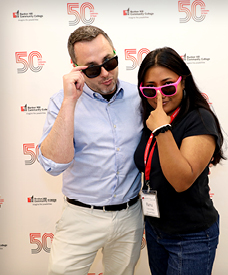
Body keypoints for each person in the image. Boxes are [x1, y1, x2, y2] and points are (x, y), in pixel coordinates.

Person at [38, 25, 144, 275]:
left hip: (130, 215)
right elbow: (53, 165)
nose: (105, 73)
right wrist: (70, 101)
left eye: (110, 61)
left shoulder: (138, 97)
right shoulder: (62, 102)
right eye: (93, 69)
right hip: (80, 217)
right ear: (75, 67)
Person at [134, 47, 226, 275]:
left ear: (183, 82)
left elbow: (181, 181)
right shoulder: (152, 116)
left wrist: (163, 129)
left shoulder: (199, 119)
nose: (159, 95)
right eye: (149, 89)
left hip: (191, 235)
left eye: (167, 86)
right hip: (156, 229)